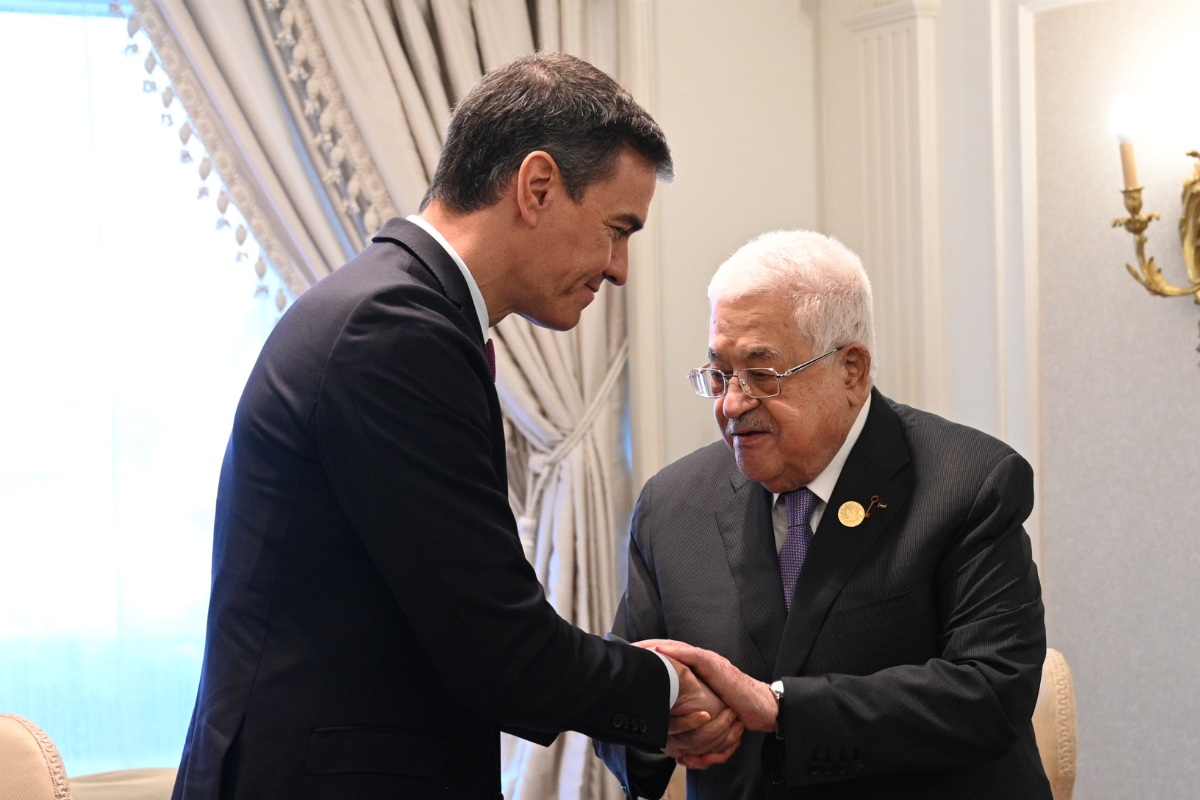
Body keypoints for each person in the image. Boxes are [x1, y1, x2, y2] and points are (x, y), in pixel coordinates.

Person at [172, 53, 737, 800]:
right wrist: (666, 689)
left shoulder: (395, 309)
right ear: (537, 187)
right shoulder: (395, 331)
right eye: (616, 229)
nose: (620, 268)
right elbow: (500, 651)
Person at [595, 231, 1052, 800]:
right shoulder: (672, 505)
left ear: (851, 370)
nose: (732, 403)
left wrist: (780, 708)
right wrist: (661, 724)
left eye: (761, 375)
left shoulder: (970, 482)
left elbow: (991, 693)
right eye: (719, 374)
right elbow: (624, 699)